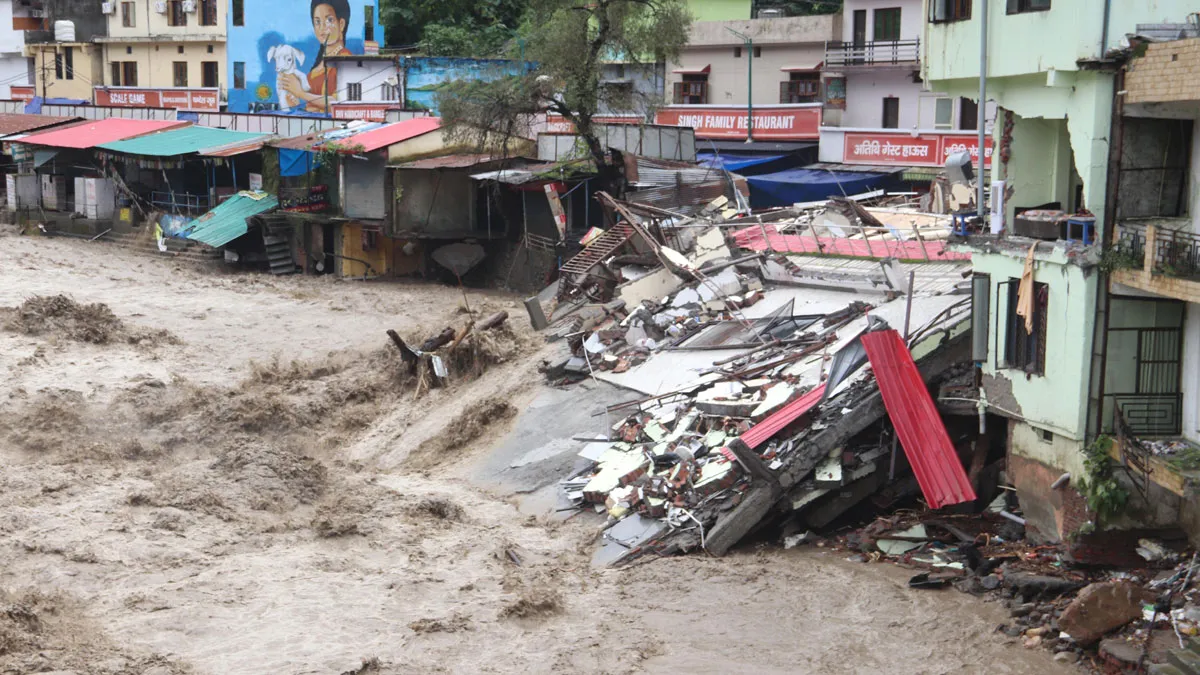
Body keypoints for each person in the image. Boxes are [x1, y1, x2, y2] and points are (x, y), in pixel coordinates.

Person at [279, 0, 353, 113]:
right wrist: (296, 102)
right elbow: (312, 103)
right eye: (317, 22)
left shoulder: (345, 60)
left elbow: (338, 102)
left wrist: (301, 94)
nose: (322, 27)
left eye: (329, 20)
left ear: (341, 24)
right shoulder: (317, 66)